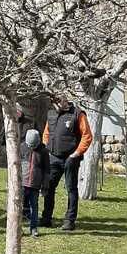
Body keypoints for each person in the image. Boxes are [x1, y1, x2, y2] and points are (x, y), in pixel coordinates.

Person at [40, 93, 92, 231]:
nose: (56, 106)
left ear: (65, 100)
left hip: (71, 158)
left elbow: (87, 136)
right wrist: (47, 148)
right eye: (54, 103)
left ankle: (69, 220)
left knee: (71, 189)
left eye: (59, 102)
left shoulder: (78, 114)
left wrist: (76, 154)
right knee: (49, 188)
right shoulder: (51, 114)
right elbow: (46, 133)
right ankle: (46, 218)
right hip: (54, 157)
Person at [20, 128, 50, 238]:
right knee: (19, 207)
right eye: (30, 146)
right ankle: (18, 228)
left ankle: (33, 228)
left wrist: (45, 186)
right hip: (22, 183)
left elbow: (47, 170)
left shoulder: (43, 151)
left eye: (34, 146)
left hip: (35, 185)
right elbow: (16, 165)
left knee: (34, 207)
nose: (32, 148)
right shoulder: (22, 147)